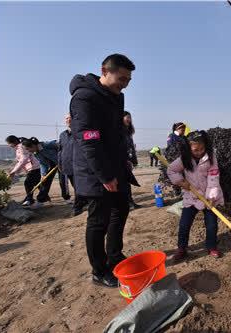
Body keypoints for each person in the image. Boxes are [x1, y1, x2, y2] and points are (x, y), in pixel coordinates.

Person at [69, 53, 137, 288]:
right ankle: (99, 270)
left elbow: (117, 132)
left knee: (121, 210)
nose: (125, 84)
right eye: (121, 78)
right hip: (96, 171)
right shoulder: (85, 97)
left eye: (128, 80)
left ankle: (114, 256)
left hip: (116, 166)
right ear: (104, 71)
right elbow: (89, 141)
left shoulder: (117, 97)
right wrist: (105, 175)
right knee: (99, 221)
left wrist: (124, 160)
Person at [167, 130, 224, 262]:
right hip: (191, 197)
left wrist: (211, 197)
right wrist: (180, 182)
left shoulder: (211, 157)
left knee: (211, 225)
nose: (199, 152)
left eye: (202, 148)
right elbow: (171, 170)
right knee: (184, 224)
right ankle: (182, 248)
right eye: (195, 150)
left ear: (206, 146)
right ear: (188, 148)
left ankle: (211, 247)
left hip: (209, 197)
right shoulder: (184, 158)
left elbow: (213, 178)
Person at [58, 114, 87, 216]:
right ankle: (84, 201)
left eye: (70, 118)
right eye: (66, 118)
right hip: (66, 166)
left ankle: (77, 207)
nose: (68, 120)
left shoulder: (81, 132)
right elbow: (60, 151)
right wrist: (59, 163)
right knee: (76, 186)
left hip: (79, 165)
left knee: (78, 187)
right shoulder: (62, 135)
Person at [21, 137, 59, 208]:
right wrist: (43, 174)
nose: (28, 151)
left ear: (33, 146)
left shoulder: (46, 145)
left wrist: (63, 158)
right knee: (44, 182)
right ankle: (40, 201)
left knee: (67, 180)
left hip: (64, 161)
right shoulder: (36, 153)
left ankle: (82, 197)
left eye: (28, 149)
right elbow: (43, 163)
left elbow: (62, 145)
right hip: (53, 164)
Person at [5, 135, 41, 206]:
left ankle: (30, 200)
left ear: (14, 142)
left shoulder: (21, 147)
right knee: (38, 184)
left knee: (27, 183)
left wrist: (14, 172)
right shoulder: (18, 148)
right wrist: (14, 171)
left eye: (9, 143)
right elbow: (20, 161)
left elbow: (23, 160)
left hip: (34, 167)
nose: (9, 145)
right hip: (32, 167)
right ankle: (43, 197)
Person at [123, 111, 141, 209]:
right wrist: (125, 160)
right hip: (123, 162)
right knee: (125, 184)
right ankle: (128, 204)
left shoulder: (128, 132)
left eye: (130, 117)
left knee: (127, 183)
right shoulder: (119, 131)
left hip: (128, 161)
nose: (129, 119)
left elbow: (131, 148)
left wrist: (134, 161)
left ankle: (130, 202)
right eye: (127, 117)